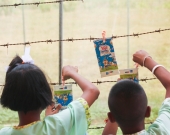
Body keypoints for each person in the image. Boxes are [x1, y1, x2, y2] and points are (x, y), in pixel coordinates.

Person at [0, 55, 100, 135]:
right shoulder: (57, 124)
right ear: (44, 94)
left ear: (8, 95)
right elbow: (92, 91)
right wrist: (71, 72)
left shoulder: (4, 133)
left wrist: (48, 120)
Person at [102, 50, 170, 135]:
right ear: (147, 111)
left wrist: (119, 96)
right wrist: (146, 60)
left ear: (111, 117)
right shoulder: (159, 132)